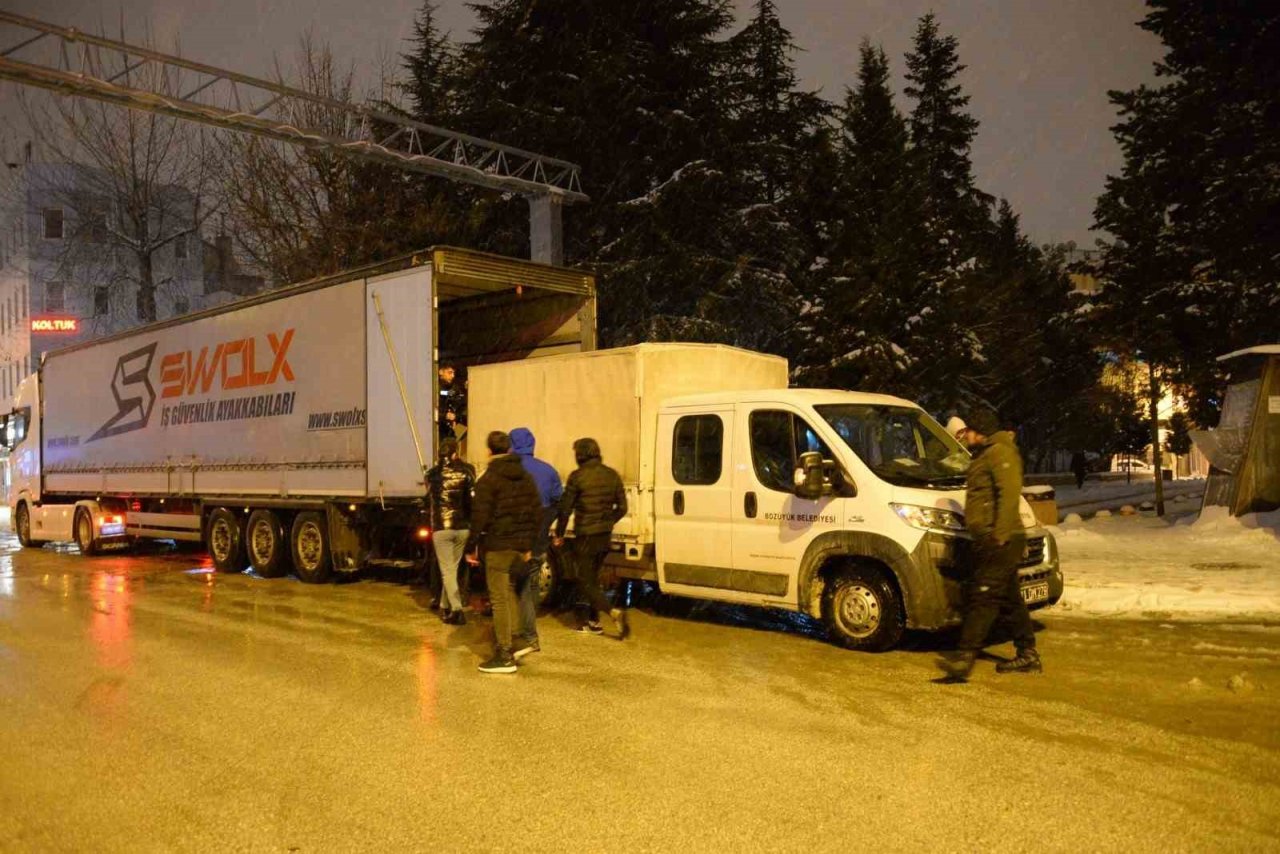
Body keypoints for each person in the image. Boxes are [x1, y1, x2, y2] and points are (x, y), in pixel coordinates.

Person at [939, 408, 1042, 682]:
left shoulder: (1000, 452)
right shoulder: (986, 452)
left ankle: (964, 659)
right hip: (991, 537)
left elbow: (1008, 495)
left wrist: (1000, 534)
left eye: (969, 431)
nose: (966, 435)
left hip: (1000, 539)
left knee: (983, 597)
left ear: (979, 431)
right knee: (1010, 599)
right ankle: (1027, 653)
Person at [465, 431, 543, 674]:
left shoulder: (487, 480)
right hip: (520, 548)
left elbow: (479, 518)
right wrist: (529, 545)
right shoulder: (526, 478)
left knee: (499, 598)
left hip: (498, 546)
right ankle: (519, 640)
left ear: (489, 451)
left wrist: (471, 548)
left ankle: (504, 654)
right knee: (510, 592)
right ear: (510, 450)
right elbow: (536, 513)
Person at [553, 438, 629, 639]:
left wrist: (559, 534)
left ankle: (611, 612)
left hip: (585, 535)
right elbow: (623, 507)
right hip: (604, 536)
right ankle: (593, 622)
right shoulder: (611, 475)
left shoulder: (577, 477)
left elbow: (565, 509)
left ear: (580, 455)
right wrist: (608, 521)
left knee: (584, 580)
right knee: (593, 579)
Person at [509, 427, 563, 660]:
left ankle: (520, 637)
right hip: (539, 542)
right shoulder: (548, 470)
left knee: (512, 588)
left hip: (514, 540)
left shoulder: (509, 470)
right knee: (530, 587)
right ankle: (528, 635)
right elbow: (559, 503)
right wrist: (546, 525)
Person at [425, 438, 475, 625]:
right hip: (462, 528)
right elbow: (471, 501)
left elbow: (428, 498)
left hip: (442, 528)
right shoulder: (466, 473)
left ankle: (456, 610)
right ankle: (445, 606)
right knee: (452, 569)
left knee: (447, 571)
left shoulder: (431, 474)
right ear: (455, 454)